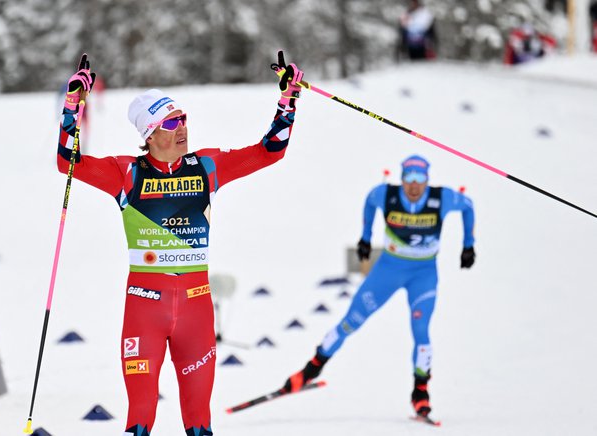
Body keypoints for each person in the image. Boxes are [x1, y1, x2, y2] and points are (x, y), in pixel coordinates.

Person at [57, 52, 304, 436]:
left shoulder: (205, 168)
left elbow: (269, 152)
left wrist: (286, 102)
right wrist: (72, 106)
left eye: (183, 119)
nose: (182, 128)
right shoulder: (126, 173)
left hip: (196, 308)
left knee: (199, 420)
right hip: (144, 308)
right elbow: (67, 162)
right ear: (149, 135)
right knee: (140, 417)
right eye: (171, 123)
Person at [281, 155, 476, 420]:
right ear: (402, 178)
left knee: (421, 329)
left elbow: (468, 206)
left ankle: (420, 392)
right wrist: (365, 237)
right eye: (409, 178)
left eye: (420, 179)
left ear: (428, 179)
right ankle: (311, 369)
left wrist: (468, 244)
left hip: (423, 274)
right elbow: (370, 201)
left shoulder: (441, 199)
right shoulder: (387, 194)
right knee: (352, 321)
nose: (414, 185)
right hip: (388, 270)